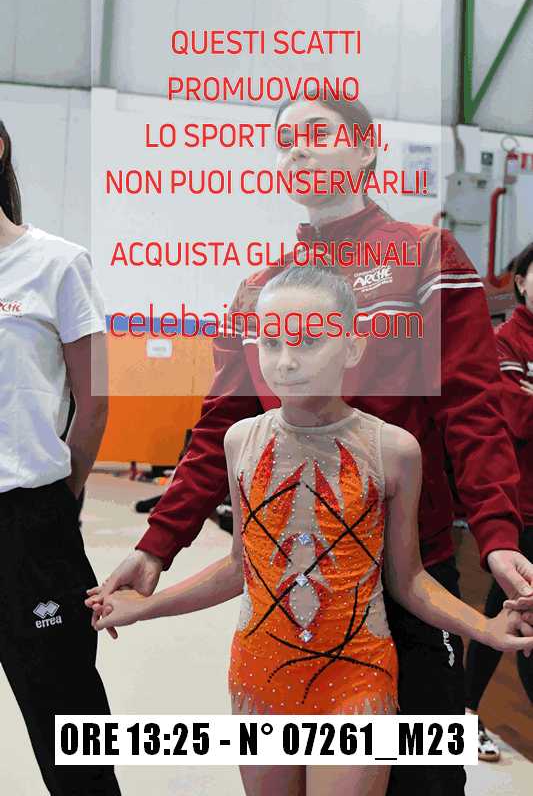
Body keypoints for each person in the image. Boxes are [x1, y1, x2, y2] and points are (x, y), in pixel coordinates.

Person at [89, 94, 533, 795]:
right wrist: (156, 546)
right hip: (291, 583)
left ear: (366, 146)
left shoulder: (425, 256)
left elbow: (472, 406)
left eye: (316, 133)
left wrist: (498, 532)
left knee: (426, 779)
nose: (296, 148)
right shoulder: (260, 292)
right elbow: (218, 429)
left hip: (407, 568)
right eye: (285, 140)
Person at [0, 120, 121, 795]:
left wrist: (55, 502)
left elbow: (93, 403)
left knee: (70, 738)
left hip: (29, 527)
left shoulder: (56, 264)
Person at [464, 243, 533, 761]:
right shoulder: (505, 342)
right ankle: (466, 711)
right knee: (521, 611)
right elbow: (517, 418)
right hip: (523, 506)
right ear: (521, 283)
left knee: (503, 608)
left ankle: (465, 710)